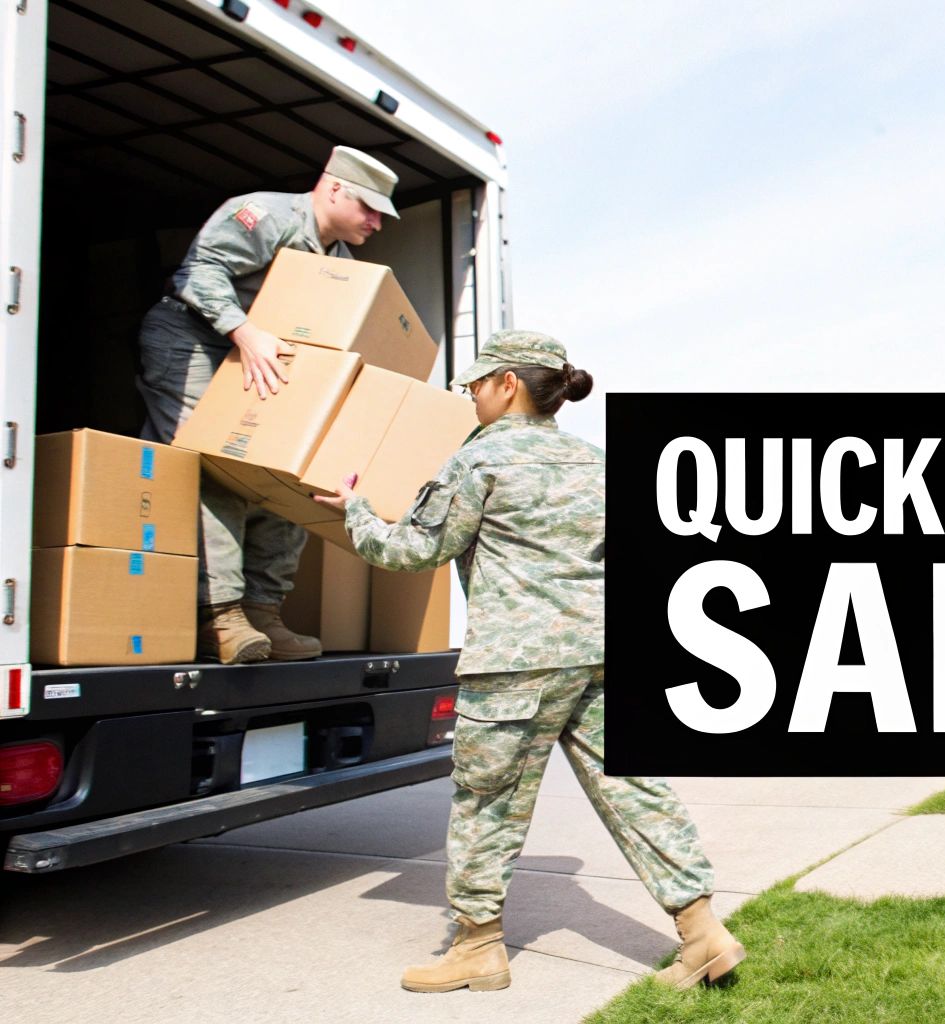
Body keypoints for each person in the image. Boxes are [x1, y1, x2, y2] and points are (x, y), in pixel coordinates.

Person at [313, 330, 744, 994]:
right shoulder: (596, 462)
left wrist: (358, 514)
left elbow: (412, 553)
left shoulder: (479, 461)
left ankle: (478, 948)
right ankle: (702, 932)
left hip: (516, 664)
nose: (471, 397)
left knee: (487, 801)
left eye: (476, 385)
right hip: (599, 655)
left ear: (508, 383)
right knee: (634, 790)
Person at [137, 144, 402, 664]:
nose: (376, 222)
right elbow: (199, 272)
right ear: (332, 188)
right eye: (368, 208)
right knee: (219, 467)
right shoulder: (267, 214)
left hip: (257, 353)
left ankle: (263, 611)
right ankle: (220, 616)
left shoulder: (342, 262)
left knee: (286, 473)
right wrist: (244, 331)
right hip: (191, 341)